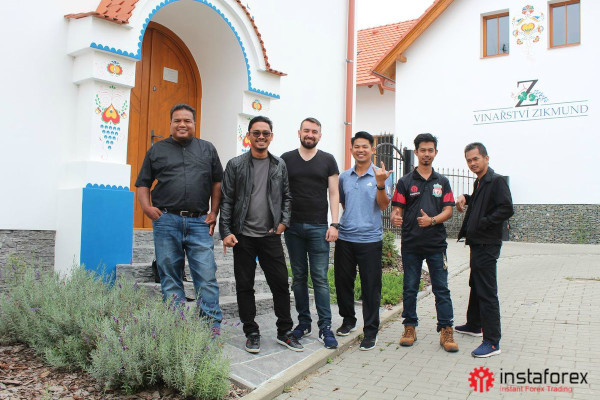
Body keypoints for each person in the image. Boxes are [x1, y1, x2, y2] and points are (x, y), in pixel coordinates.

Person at [220, 115, 303, 353]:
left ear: (271, 137)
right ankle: (251, 332)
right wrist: (225, 231)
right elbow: (227, 200)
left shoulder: (279, 165)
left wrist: (283, 222)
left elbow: (287, 197)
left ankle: (284, 331)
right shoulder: (235, 165)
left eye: (265, 133)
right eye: (256, 133)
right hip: (243, 236)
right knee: (244, 286)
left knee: (280, 283)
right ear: (248, 136)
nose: (261, 137)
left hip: (270, 235)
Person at [135, 103, 223, 328]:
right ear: (171, 123)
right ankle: (177, 328)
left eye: (187, 120)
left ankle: (210, 328)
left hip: (199, 222)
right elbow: (143, 183)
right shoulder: (157, 150)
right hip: (166, 221)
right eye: (177, 120)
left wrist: (214, 212)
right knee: (170, 276)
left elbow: (217, 182)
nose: (182, 124)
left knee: (206, 276)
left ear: (194, 123)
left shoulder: (207, 149)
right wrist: (146, 208)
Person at [391, 133, 458, 352]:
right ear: (417, 152)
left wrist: (432, 221)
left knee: (442, 289)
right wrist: (395, 217)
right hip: (411, 244)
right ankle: (409, 327)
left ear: (435, 152)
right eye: (423, 150)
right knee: (410, 288)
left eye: (430, 150)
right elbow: (396, 210)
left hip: (436, 245)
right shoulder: (405, 182)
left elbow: (449, 210)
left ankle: (446, 330)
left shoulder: (443, 182)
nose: (426, 154)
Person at [281, 117, 340, 349]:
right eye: (306, 130)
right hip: (293, 228)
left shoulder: (328, 160)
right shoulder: (286, 159)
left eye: (314, 131)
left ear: (320, 136)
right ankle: (304, 322)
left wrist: (334, 224)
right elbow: (278, 192)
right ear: (299, 132)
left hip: (318, 228)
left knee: (320, 279)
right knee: (298, 278)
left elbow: (334, 193)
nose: (310, 134)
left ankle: (325, 327)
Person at [335, 131, 392, 351]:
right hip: (345, 238)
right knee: (343, 283)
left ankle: (370, 331)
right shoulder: (344, 177)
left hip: (370, 240)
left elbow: (383, 205)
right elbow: (344, 203)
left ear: (372, 149)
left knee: (370, 287)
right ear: (351, 150)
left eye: (365, 146)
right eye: (357, 146)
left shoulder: (381, 175)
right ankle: (348, 320)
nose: (361, 150)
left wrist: (380, 184)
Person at [455, 142, 513, 358]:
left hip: (487, 243)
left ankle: (492, 341)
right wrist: (466, 197)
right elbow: (482, 201)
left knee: (487, 291)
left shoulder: (496, 181)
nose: (472, 163)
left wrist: (484, 222)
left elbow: (506, 208)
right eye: (469, 160)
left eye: (476, 159)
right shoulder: (480, 182)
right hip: (477, 242)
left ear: (486, 158)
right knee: (476, 283)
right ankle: (474, 324)